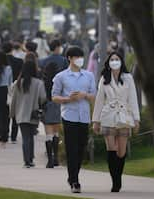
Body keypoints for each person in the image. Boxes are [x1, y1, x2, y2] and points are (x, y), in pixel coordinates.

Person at [92, 52, 140, 193]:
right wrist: (96, 120)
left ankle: (118, 175)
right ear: (108, 62)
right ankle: (115, 181)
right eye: (112, 59)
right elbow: (100, 99)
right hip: (108, 116)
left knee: (121, 151)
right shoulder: (104, 78)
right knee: (111, 148)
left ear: (121, 61)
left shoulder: (128, 78)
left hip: (124, 116)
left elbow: (133, 98)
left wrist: (136, 119)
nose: (114, 61)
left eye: (117, 59)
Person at [52, 46, 96, 193]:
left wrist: (83, 95)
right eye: (76, 57)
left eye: (81, 57)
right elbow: (54, 96)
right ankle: (75, 181)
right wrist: (68, 99)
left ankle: (72, 177)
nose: (79, 60)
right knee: (71, 149)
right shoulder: (61, 76)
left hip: (84, 116)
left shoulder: (89, 76)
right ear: (69, 58)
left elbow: (94, 95)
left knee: (81, 148)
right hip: (69, 115)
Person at [10, 61, 46, 168]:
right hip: (33, 114)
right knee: (31, 136)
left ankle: (27, 160)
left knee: (26, 137)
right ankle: (30, 158)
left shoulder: (18, 83)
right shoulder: (38, 83)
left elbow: (13, 100)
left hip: (21, 114)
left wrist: (12, 113)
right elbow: (43, 98)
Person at [42, 62, 62, 168]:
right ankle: (56, 158)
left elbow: (41, 96)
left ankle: (50, 160)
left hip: (47, 106)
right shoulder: (59, 81)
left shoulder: (44, 82)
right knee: (56, 133)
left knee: (48, 134)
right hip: (57, 106)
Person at [3, 42, 23, 143]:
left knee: (5, 112)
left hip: (4, 89)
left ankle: (5, 134)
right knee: (15, 112)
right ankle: (14, 136)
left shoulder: (0, 61)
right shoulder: (19, 61)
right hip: (16, 88)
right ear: (12, 49)